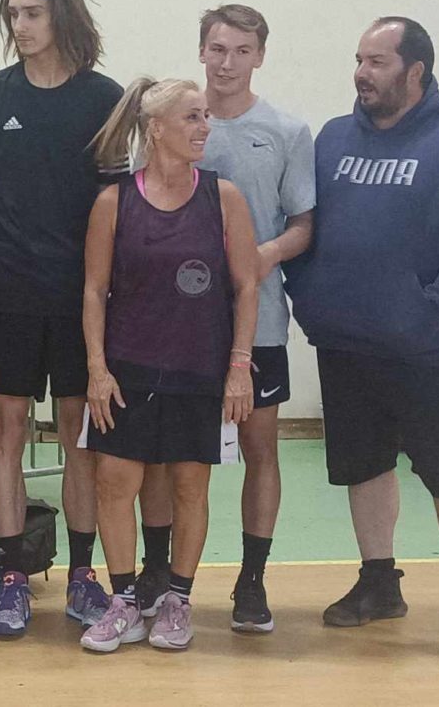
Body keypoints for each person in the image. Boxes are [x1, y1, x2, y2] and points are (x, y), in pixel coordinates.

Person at [290, 18, 439, 665]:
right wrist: (311, 298)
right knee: (363, 467)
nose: (362, 73)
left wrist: (434, 307)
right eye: (359, 59)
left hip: (426, 348)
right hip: (345, 342)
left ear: (415, 71)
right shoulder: (334, 138)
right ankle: (379, 582)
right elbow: (305, 223)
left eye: (377, 62)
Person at [0, 0, 125, 635]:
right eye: (13, 14)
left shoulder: (104, 98)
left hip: (82, 299)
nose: (20, 26)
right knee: (8, 430)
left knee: (80, 435)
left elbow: (112, 201)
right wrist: (17, 247)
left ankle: (83, 576)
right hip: (7, 293)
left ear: (62, 16)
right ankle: (12, 578)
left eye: (32, 13)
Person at [133, 5, 316, 631]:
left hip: (254, 322)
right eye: (217, 48)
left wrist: (262, 256)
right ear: (201, 52)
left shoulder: (287, 131)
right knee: (164, 453)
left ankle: (252, 579)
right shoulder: (173, 124)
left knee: (259, 448)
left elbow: (303, 224)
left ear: (260, 56)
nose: (228, 62)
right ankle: (158, 572)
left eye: (241, 50)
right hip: (173, 326)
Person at [79, 77, 258, 653]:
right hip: (128, 369)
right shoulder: (114, 202)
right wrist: (97, 369)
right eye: (192, 117)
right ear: (156, 129)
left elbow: (247, 286)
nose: (205, 127)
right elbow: (94, 291)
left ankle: (178, 599)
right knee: (114, 483)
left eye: (206, 116)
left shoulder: (224, 198)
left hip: (198, 368)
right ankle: (124, 603)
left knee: (189, 486)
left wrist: (239, 366)